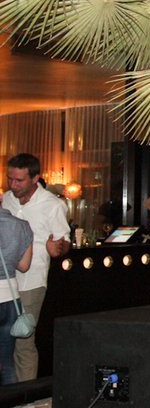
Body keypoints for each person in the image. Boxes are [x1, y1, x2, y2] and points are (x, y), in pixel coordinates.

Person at [3, 153, 70, 381]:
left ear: (35, 178)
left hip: (31, 280)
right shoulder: (7, 199)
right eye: (10, 178)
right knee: (5, 341)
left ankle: (25, 393)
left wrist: (57, 249)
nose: (13, 184)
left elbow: (65, 242)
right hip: (5, 281)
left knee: (23, 340)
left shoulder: (53, 205)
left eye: (19, 180)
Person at [0, 208, 32, 385]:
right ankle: (12, 401)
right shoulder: (22, 226)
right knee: (7, 362)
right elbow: (24, 266)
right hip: (11, 299)